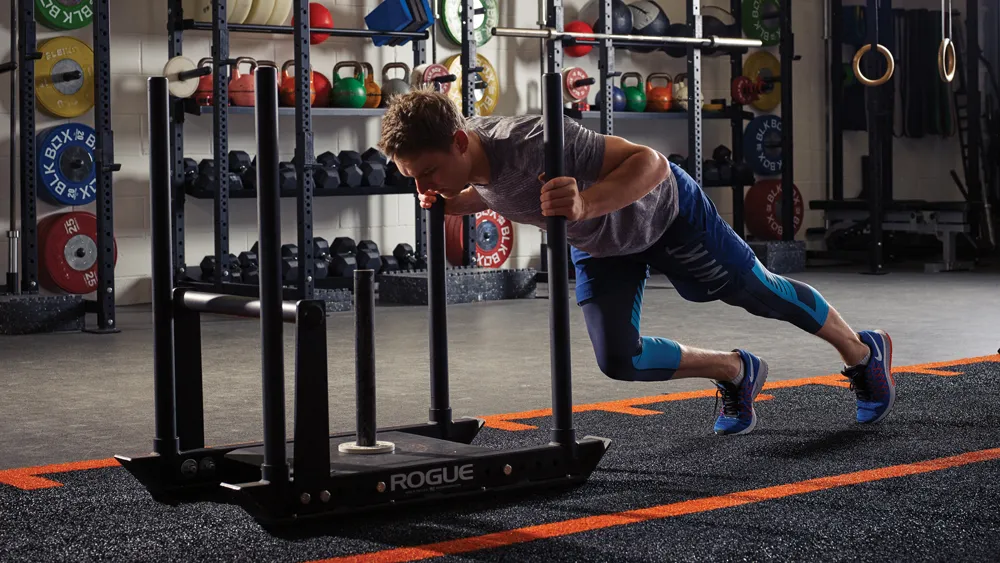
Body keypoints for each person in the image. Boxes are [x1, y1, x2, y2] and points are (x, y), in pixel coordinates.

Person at [377, 88, 895, 436]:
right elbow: (499, 192)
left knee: (757, 292)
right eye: (412, 177)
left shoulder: (535, 141)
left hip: (666, 216)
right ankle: (736, 370)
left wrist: (585, 204)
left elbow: (651, 162)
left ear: (460, 142)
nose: (422, 186)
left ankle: (862, 352)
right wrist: (454, 202)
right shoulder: (468, 164)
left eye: (427, 173)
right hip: (602, 244)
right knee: (620, 359)